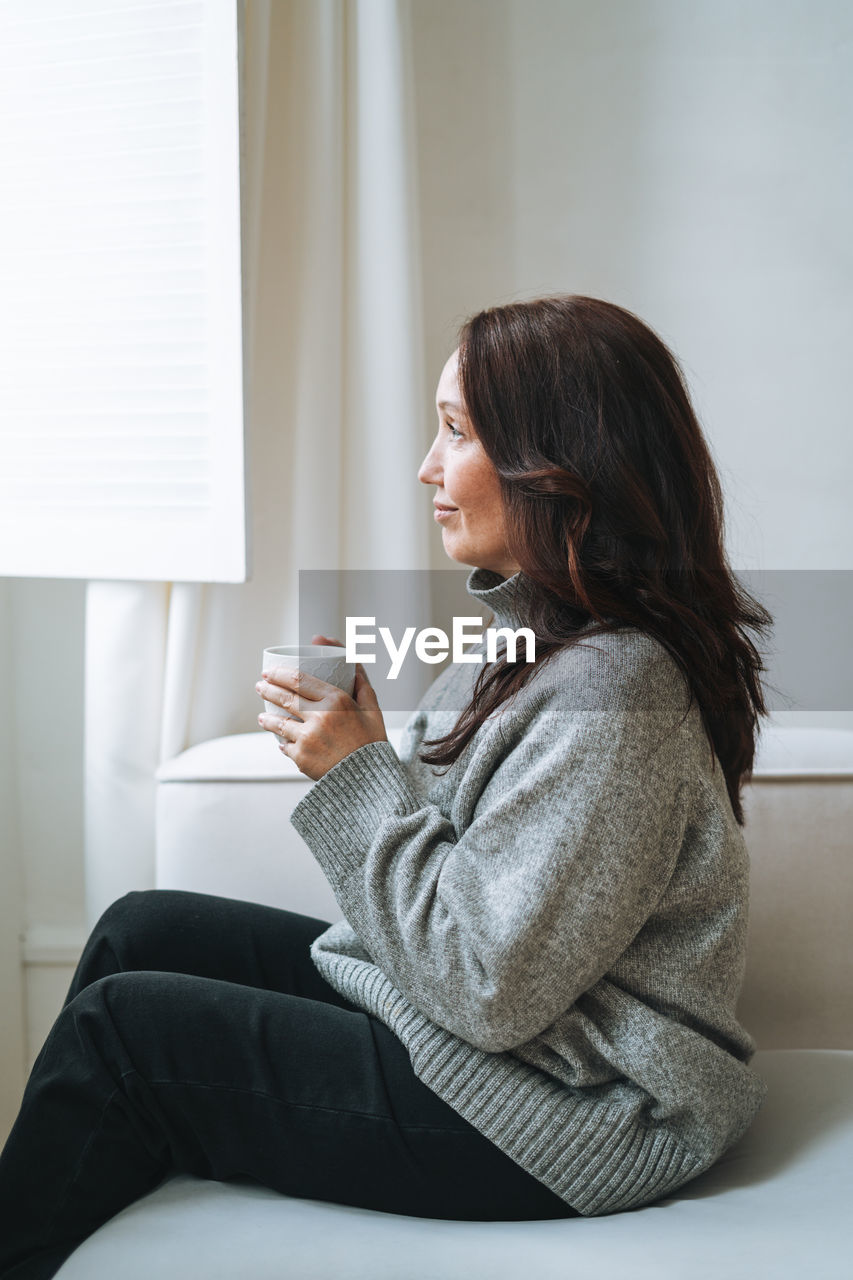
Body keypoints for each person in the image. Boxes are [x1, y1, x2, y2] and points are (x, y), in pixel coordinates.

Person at [0, 295, 774, 1278]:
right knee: (140, 929)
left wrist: (358, 772)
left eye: (455, 431)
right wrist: (374, 747)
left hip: (571, 1104)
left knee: (124, 1029)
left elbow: (488, 985)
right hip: (512, 1043)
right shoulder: (534, 647)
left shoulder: (618, 687)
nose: (426, 466)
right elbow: (483, 888)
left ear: (558, 465)